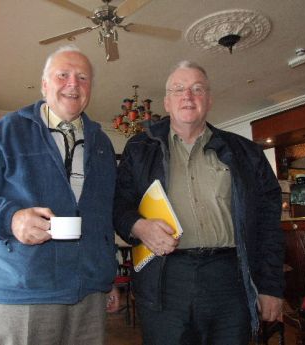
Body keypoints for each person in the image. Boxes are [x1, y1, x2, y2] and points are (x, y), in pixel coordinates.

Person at [0, 45, 119, 345]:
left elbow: (102, 219)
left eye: (83, 77)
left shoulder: (103, 143)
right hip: (23, 294)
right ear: (44, 85)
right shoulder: (9, 130)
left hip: (90, 297)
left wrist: (106, 280)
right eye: (63, 75)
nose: (73, 84)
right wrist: (12, 219)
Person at [113, 60, 284, 345]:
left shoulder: (245, 152)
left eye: (197, 89)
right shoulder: (139, 149)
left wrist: (271, 286)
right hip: (165, 279)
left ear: (209, 99)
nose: (188, 96)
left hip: (229, 278)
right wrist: (140, 227)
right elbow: (118, 206)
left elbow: (268, 224)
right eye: (178, 89)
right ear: (167, 103)